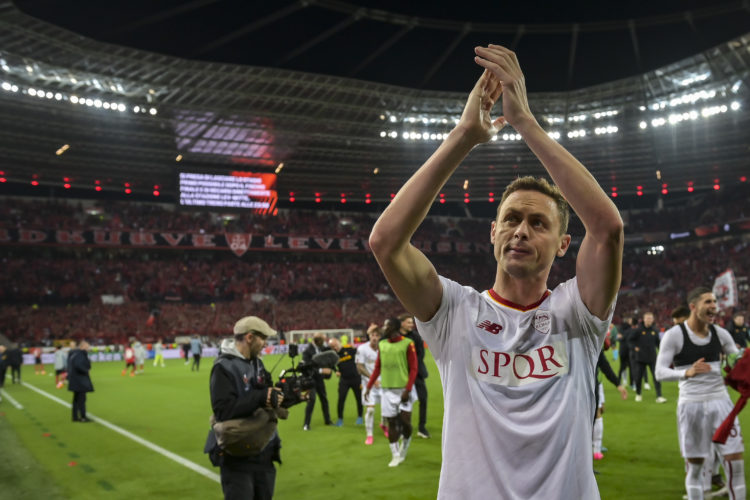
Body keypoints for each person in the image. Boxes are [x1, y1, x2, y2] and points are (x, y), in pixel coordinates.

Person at [368, 44, 623, 498]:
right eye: (511, 220)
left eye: (538, 223)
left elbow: (607, 229)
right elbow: (385, 242)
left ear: (565, 244)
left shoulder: (578, 313)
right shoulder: (454, 313)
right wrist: (464, 134)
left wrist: (524, 122)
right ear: (493, 233)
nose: (520, 231)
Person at [656, 287, 745, 500]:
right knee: (695, 468)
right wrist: (687, 372)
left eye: (714, 302)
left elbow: (739, 361)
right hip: (691, 405)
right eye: (708, 302)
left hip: (721, 403)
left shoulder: (721, 333)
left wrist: (740, 363)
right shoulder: (674, 335)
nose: (714, 306)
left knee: (736, 464)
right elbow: (659, 372)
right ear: (693, 307)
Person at [208, 316, 283, 500]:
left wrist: (289, 394)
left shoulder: (258, 363)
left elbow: (268, 396)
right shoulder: (223, 367)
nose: (265, 343)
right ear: (250, 338)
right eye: (263, 338)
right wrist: (260, 396)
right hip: (238, 457)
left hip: (263, 453)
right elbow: (223, 411)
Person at [365, 318, 418, 467]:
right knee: (392, 423)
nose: (383, 328)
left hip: (404, 389)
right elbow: (377, 367)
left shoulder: (408, 343)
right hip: (387, 390)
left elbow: (414, 368)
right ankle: (395, 455)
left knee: (405, 423)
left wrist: (408, 389)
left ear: (394, 327)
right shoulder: (382, 344)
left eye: (386, 326)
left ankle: (406, 442)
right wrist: (369, 387)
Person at [399, 314, 430, 438]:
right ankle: (403, 427)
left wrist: (411, 368)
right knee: (402, 401)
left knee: (423, 399)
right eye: (408, 322)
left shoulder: (416, 337)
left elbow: (420, 355)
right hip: (402, 375)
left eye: (411, 322)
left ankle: (422, 428)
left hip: (417, 373)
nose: (411, 324)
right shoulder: (396, 337)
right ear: (401, 323)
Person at [593, 351, 628, 461]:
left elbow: (604, 365)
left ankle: (595, 448)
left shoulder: (595, 342)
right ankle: (594, 449)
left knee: (599, 411)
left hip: (595, 383)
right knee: (593, 415)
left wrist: (618, 384)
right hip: (576, 387)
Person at [357, 323, 388, 445]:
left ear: (380, 336)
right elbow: (360, 367)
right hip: (368, 384)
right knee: (370, 410)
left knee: (387, 410)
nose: (374, 337)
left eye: (377, 335)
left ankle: (384, 425)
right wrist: (372, 380)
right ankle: (369, 435)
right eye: (372, 335)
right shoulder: (362, 349)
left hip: (384, 384)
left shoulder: (385, 347)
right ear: (368, 335)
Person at [630, 312, 666, 403]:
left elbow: (658, 344)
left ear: (653, 320)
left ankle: (659, 396)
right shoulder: (638, 330)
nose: (649, 320)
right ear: (644, 319)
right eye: (647, 318)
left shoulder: (655, 330)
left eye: (650, 318)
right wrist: (635, 348)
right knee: (638, 377)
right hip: (640, 358)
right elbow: (630, 340)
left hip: (652, 358)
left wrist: (662, 353)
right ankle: (638, 394)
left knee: (656, 377)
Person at [302, 332, 334, 430]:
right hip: (310, 379)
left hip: (319, 379)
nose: (324, 343)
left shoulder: (321, 348)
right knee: (311, 400)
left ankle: (327, 420)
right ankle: (306, 424)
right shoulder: (307, 352)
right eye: (322, 341)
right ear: (318, 341)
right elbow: (307, 367)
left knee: (324, 399)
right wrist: (321, 370)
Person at [329, 338, 363, 427]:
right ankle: (340, 419)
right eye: (332, 347)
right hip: (344, 380)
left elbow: (360, 353)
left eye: (335, 345)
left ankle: (360, 417)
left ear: (339, 343)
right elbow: (331, 365)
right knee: (341, 399)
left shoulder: (349, 349)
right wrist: (335, 370)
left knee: (359, 398)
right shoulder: (334, 355)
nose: (335, 348)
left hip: (356, 378)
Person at [67, 340, 94, 422]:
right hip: (80, 380)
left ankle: (75, 417)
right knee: (82, 399)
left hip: (74, 379)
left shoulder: (74, 353)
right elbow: (79, 365)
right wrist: (86, 370)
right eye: (87, 347)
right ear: (82, 347)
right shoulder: (80, 354)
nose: (88, 349)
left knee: (76, 399)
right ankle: (83, 417)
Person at [618, 316, 634, 389]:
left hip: (624, 350)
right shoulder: (630, 329)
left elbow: (621, 338)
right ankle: (630, 383)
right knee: (627, 367)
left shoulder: (621, 328)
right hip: (626, 350)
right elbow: (620, 338)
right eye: (630, 320)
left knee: (625, 367)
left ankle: (620, 382)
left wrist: (623, 336)